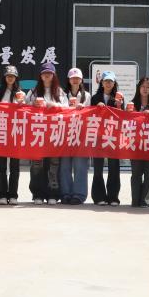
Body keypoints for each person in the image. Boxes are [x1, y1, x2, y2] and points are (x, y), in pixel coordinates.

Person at [26, 62, 66, 204]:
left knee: (54, 163)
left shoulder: (60, 92)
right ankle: (37, 194)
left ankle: (53, 194)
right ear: (41, 76)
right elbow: (23, 107)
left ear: (54, 75)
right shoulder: (33, 91)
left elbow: (68, 108)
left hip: (54, 132)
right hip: (37, 132)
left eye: (49, 73)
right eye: (44, 73)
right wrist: (32, 105)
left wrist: (56, 105)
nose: (47, 75)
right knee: (37, 164)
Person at [90, 71, 123, 205]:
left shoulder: (119, 98)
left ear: (114, 83)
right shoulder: (94, 98)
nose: (108, 83)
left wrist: (119, 105)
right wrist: (96, 107)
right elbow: (89, 115)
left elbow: (123, 117)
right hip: (98, 136)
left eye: (111, 81)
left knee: (114, 167)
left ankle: (113, 197)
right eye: (106, 81)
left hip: (113, 136)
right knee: (98, 168)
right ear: (101, 83)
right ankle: (99, 197)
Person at [59, 68, 90, 205]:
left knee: (80, 166)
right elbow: (57, 110)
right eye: (72, 78)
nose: (75, 80)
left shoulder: (87, 96)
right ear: (69, 79)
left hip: (81, 134)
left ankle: (79, 194)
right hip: (65, 133)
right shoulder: (62, 94)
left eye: (77, 78)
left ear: (81, 79)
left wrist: (84, 108)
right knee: (64, 166)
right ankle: (65, 193)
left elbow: (91, 113)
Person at [0, 65, 23, 205]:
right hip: (2, 131)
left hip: (15, 132)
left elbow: (26, 111)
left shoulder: (20, 94)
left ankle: (13, 195)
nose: (10, 78)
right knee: (1, 166)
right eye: (8, 76)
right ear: (4, 78)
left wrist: (22, 104)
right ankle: (2, 195)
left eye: (12, 76)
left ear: (16, 78)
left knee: (15, 166)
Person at [128, 77, 149, 208]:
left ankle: (145, 200)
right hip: (135, 143)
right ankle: (135, 200)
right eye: (143, 87)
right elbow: (126, 121)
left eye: (148, 87)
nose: (145, 89)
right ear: (138, 88)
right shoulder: (131, 103)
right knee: (136, 173)